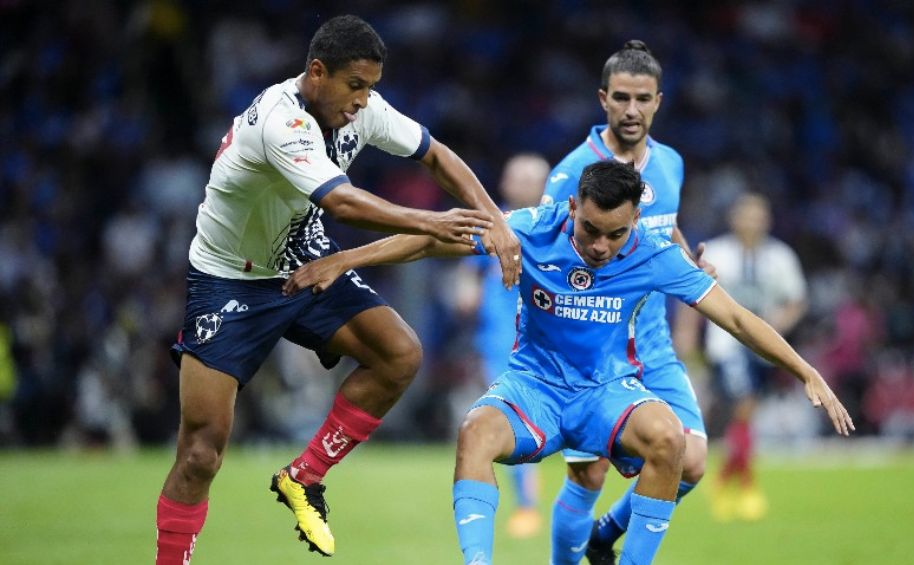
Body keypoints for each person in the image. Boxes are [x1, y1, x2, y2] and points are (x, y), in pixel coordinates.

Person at [284, 160, 855, 565]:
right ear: (573, 206)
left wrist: (805, 369)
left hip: (608, 392)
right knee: (475, 433)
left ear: (634, 221)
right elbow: (432, 241)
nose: (601, 246)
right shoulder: (532, 228)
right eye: (590, 229)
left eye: (616, 234)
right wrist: (346, 258)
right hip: (533, 388)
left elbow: (735, 318)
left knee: (670, 440)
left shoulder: (654, 255)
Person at [154, 15, 521, 564]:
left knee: (399, 353)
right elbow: (342, 202)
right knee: (201, 453)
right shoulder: (281, 121)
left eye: (371, 87)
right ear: (317, 73)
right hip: (229, 277)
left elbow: (436, 155)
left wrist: (496, 220)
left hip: (303, 254)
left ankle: (304, 477)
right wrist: (430, 221)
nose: (363, 101)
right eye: (355, 86)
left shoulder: (362, 109)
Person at [539, 40, 715, 564]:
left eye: (642, 98)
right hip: (589, 350)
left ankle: (604, 535)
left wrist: (688, 263)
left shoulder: (672, 164)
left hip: (652, 343)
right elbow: (542, 253)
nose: (631, 110)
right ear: (603, 100)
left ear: (659, 100)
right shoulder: (573, 171)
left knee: (693, 461)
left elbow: (664, 228)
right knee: (587, 472)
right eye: (621, 98)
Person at [673, 193, 807, 522]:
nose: (752, 222)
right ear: (734, 219)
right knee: (744, 405)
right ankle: (745, 485)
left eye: (758, 216)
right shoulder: (717, 251)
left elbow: (796, 300)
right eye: (746, 216)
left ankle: (723, 481)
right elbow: (692, 293)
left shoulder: (780, 257)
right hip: (727, 344)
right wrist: (686, 335)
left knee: (744, 416)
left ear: (767, 221)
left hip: (762, 349)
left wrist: (777, 326)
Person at [453, 153, 551, 538]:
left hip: (554, 341)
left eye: (534, 178)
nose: (526, 185)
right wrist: (467, 292)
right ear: (505, 185)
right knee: (513, 417)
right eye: (519, 178)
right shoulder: (490, 226)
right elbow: (466, 276)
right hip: (501, 343)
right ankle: (527, 506)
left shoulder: (561, 227)